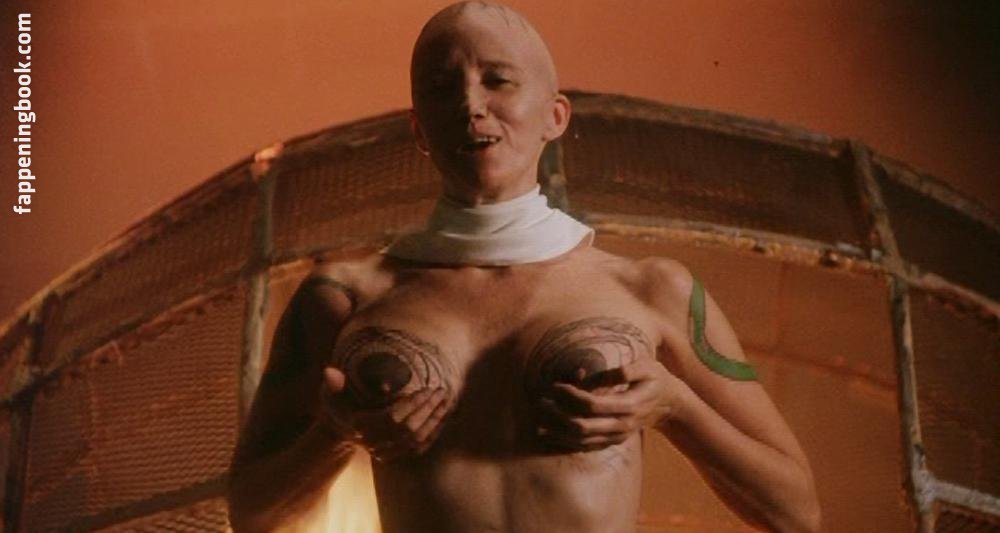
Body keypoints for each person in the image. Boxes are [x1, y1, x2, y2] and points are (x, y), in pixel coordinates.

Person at [227, 2, 821, 532]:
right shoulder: (342, 299)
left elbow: (797, 512)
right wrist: (334, 435)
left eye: (498, 80)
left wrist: (675, 407)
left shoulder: (651, 290)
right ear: (419, 130)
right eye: (441, 87)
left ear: (555, 117)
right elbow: (251, 514)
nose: (470, 105)